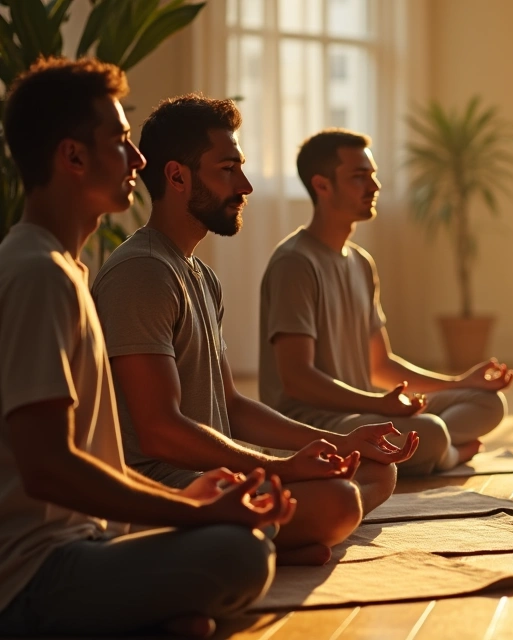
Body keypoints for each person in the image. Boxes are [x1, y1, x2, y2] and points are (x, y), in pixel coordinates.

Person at [0, 58, 294, 639]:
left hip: (91, 540)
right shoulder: (38, 273)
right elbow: (48, 469)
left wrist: (188, 496)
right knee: (240, 553)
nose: (138, 160)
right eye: (122, 141)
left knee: (241, 538)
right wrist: (193, 510)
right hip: (34, 576)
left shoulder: (64, 269)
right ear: (73, 156)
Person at [92, 95, 420, 567]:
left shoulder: (200, 276)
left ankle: (272, 539)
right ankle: (247, 542)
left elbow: (232, 406)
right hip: (168, 489)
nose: (244, 184)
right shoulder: (141, 273)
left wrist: (336, 443)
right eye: (228, 169)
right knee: (339, 501)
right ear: (177, 176)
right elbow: (160, 434)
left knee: (373, 470)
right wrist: (282, 467)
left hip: (220, 474)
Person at [259, 129, 513, 475]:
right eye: (359, 177)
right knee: (431, 432)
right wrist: (379, 404)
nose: (374, 187)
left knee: (486, 402)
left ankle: (430, 452)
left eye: (373, 175)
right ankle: (447, 454)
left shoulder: (360, 263)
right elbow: (297, 379)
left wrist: (461, 383)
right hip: (312, 424)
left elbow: (380, 366)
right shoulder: (294, 263)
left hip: (364, 412)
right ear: (322, 185)